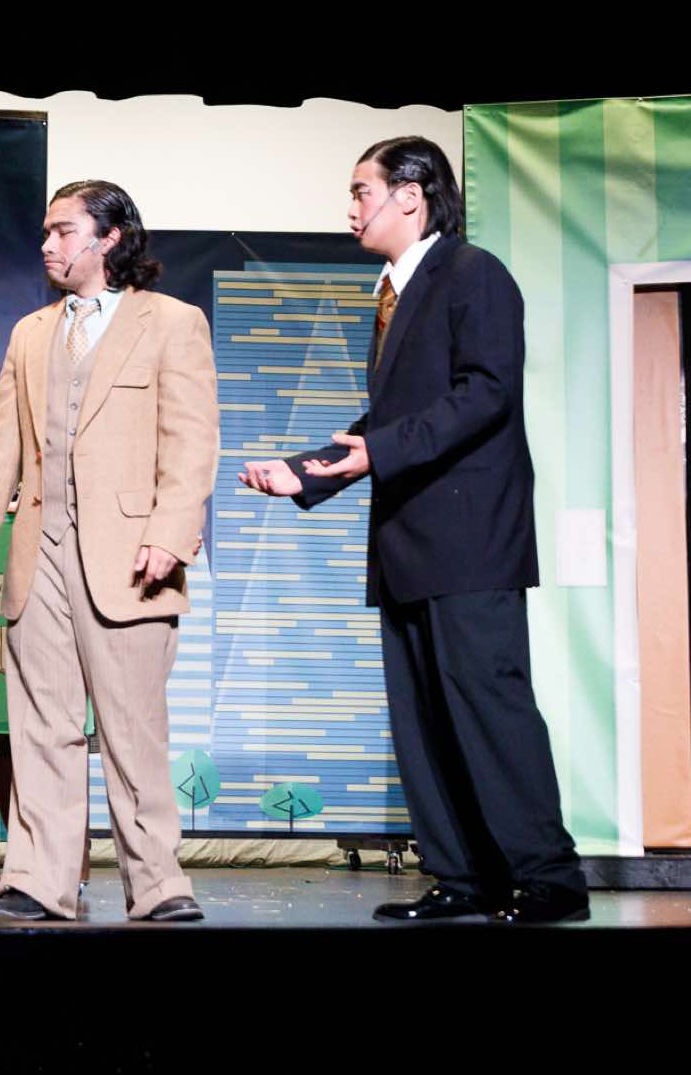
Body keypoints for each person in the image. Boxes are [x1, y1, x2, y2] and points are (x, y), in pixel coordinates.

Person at [239, 136, 587, 924]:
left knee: (488, 706)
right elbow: (390, 423)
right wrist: (307, 471)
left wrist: (378, 450)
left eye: (361, 191)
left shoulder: (473, 274)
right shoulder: (394, 292)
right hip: (407, 543)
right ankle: (463, 877)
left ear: (411, 194)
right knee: (423, 717)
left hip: (470, 540)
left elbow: (486, 391)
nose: (351, 208)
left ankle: (549, 876)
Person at [0, 180, 217, 923]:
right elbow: (1, 445)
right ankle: (39, 880)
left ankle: (158, 882)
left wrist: (171, 532)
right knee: (42, 726)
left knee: (133, 728)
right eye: (46, 231)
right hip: (39, 552)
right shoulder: (31, 333)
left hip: (131, 555)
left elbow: (191, 438)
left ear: (110, 238)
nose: (48, 244)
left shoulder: (172, 322)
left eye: (64, 231)